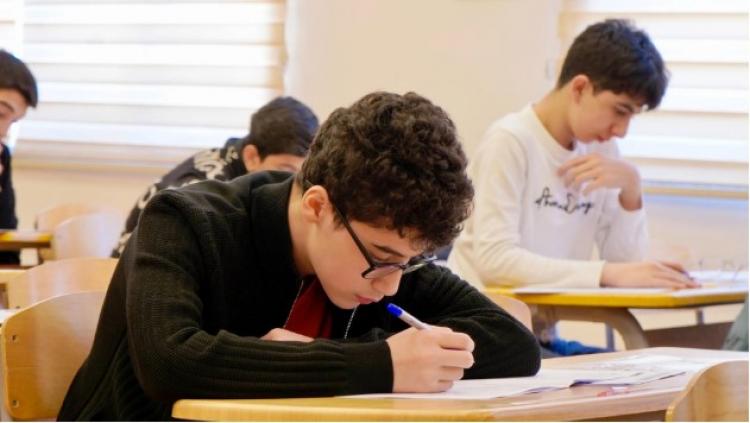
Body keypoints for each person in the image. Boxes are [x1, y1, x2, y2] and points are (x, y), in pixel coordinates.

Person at [59, 91, 541, 420]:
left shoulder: (378, 250)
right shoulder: (185, 220)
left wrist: (343, 359)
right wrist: (380, 363)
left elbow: (513, 343)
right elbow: (170, 364)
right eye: (382, 258)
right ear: (317, 206)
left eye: (409, 263)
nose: (391, 284)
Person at [447, 19, 698, 354]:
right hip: (483, 336)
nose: (622, 130)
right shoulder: (510, 142)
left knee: (652, 370)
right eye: (620, 111)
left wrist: (631, 191)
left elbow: (626, 266)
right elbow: (495, 261)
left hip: (540, 339)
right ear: (580, 88)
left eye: (631, 117)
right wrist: (606, 273)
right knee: (621, 376)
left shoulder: (601, 149)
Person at [112, 96, 319, 257]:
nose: (294, 183)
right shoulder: (205, 191)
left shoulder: (237, 158)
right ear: (252, 157)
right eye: (286, 170)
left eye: (300, 173)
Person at [0, 50, 38, 265]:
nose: (4, 131)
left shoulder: (2, 155)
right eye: (0, 114)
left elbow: (8, 247)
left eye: (13, 122)